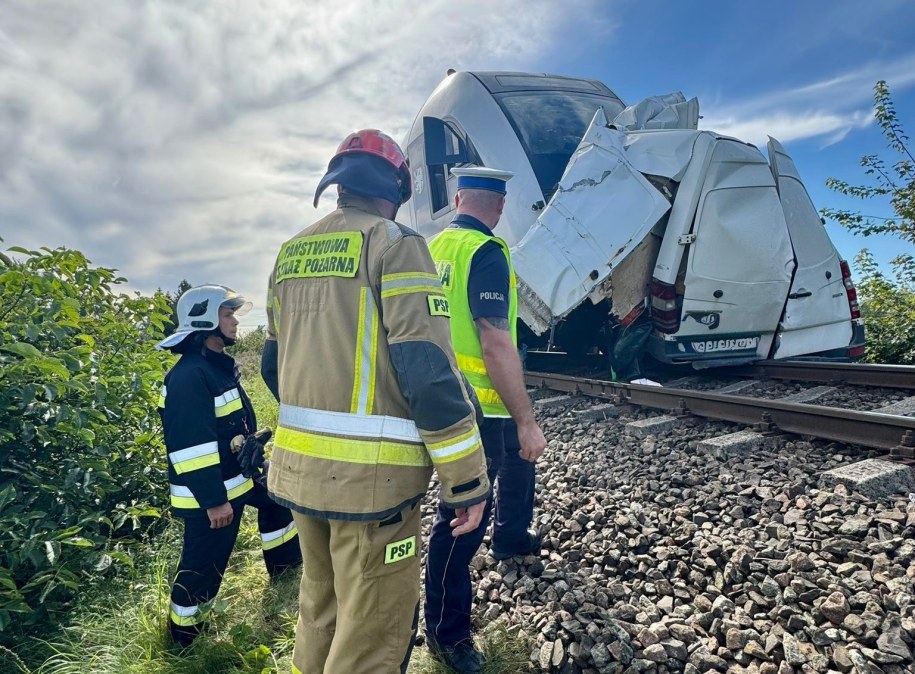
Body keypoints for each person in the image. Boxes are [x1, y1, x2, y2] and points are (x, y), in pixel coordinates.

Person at [261, 129, 491, 674]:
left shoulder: (289, 254)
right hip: (373, 491)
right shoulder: (395, 243)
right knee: (371, 634)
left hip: (300, 476)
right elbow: (429, 373)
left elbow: (274, 367)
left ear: (337, 185)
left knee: (321, 609)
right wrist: (467, 480)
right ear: (396, 187)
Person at [424, 166, 548, 673]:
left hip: (438, 398)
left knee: (515, 470)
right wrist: (526, 418)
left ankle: (512, 536)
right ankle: (445, 633)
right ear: (498, 207)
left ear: (457, 199)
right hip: (482, 406)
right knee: (461, 516)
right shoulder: (487, 252)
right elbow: (495, 340)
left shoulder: (430, 249)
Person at [156, 284, 302, 646]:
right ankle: (183, 641)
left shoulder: (216, 367)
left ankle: (284, 570)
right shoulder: (189, 377)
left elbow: (227, 427)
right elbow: (190, 449)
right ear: (205, 321)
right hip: (211, 495)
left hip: (239, 477)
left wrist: (249, 451)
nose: (236, 321)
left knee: (277, 501)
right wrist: (213, 501)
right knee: (203, 568)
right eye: (227, 314)